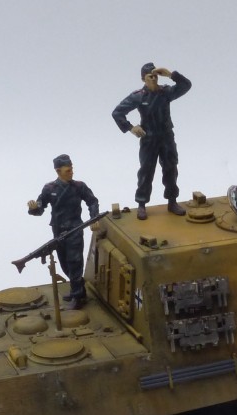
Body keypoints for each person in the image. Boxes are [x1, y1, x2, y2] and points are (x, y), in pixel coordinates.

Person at [111, 63, 192, 220]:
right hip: (149, 138)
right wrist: (130, 127)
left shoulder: (165, 92)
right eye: (150, 76)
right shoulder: (139, 96)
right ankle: (141, 204)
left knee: (170, 168)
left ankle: (172, 201)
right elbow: (117, 112)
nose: (154, 78)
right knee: (146, 170)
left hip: (166, 136)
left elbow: (186, 85)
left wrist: (171, 74)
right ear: (143, 79)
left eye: (155, 75)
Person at [27, 154, 100, 308]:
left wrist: (94, 218)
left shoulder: (79, 187)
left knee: (75, 262)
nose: (71, 172)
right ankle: (78, 289)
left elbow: (92, 201)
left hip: (75, 229)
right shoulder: (49, 189)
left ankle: (78, 296)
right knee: (64, 262)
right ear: (58, 171)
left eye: (72, 169)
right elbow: (40, 207)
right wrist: (34, 208)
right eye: (68, 170)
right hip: (58, 230)